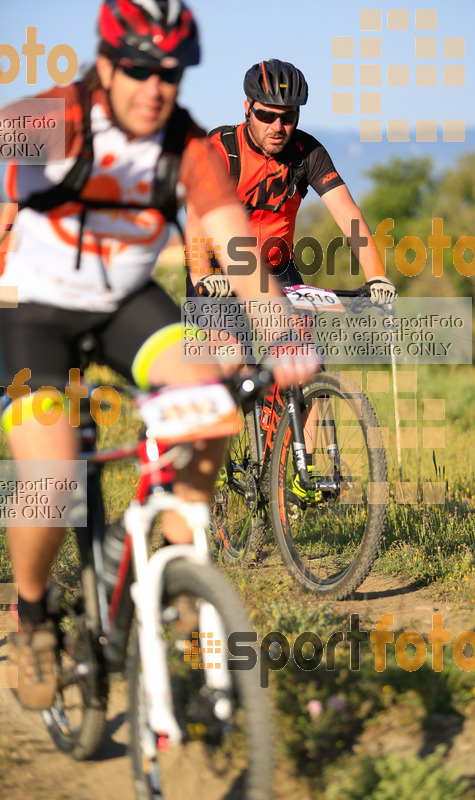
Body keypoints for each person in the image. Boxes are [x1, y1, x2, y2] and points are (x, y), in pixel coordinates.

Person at [0, 3, 318, 710]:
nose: (155, 86)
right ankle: (31, 617)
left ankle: (171, 563)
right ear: (106, 64)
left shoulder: (188, 147)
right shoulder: (47, 117)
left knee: (210, 406)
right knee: (50, 477)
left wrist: (283, 333)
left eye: (171, 72)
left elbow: (236, 246)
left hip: (124, 302)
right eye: (139, 68)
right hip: (33, 313)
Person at [186, 58, 397, 302]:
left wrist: (376, 276)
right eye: (266, 115)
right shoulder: (220, 150)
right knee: (230, 342)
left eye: (287, 118)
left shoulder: (307, 151)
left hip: (278, 270)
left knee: (297, 341)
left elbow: (347, 214)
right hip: (217, 270)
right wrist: (201, 272)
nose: (277, 127)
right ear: (247, 108)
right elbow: (195, 216)